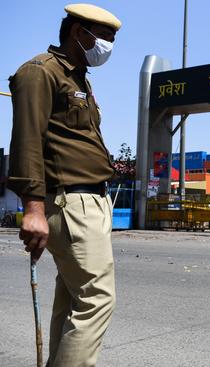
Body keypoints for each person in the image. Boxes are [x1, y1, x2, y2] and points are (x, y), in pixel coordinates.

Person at [8, 4, 121, 365]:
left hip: (91, 202)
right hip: (71, 204)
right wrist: (33, 209)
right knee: (96, 299)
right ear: (78, 32)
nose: (108, 46)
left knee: (73, 300)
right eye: (104, 37)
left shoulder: (79, 79)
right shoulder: (40, 72)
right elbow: (27, 140)